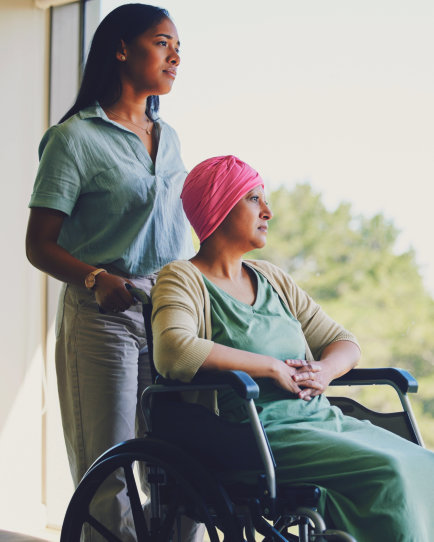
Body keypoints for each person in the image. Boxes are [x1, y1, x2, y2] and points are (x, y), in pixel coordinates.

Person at [151, 155, 434, 542]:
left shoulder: (273, 278)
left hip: (319, 421)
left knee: (424, 464)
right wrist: (269, 367)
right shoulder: (182, 277)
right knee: (389, 471)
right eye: (253, 198)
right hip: (253, 434)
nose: (268, 211)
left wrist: (326, 371)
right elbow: (174, 352)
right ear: (218, 207)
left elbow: (345, 343)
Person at [26, 4, 203, 541]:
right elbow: (39, 245)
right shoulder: (74, 139)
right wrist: (95, 279)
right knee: (108, 472)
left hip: (170, 316)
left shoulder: (168, 138)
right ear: (121, 49)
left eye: (178, 47)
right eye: (162, 42)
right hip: (104, 314)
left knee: (181, 469)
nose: (176, 55)